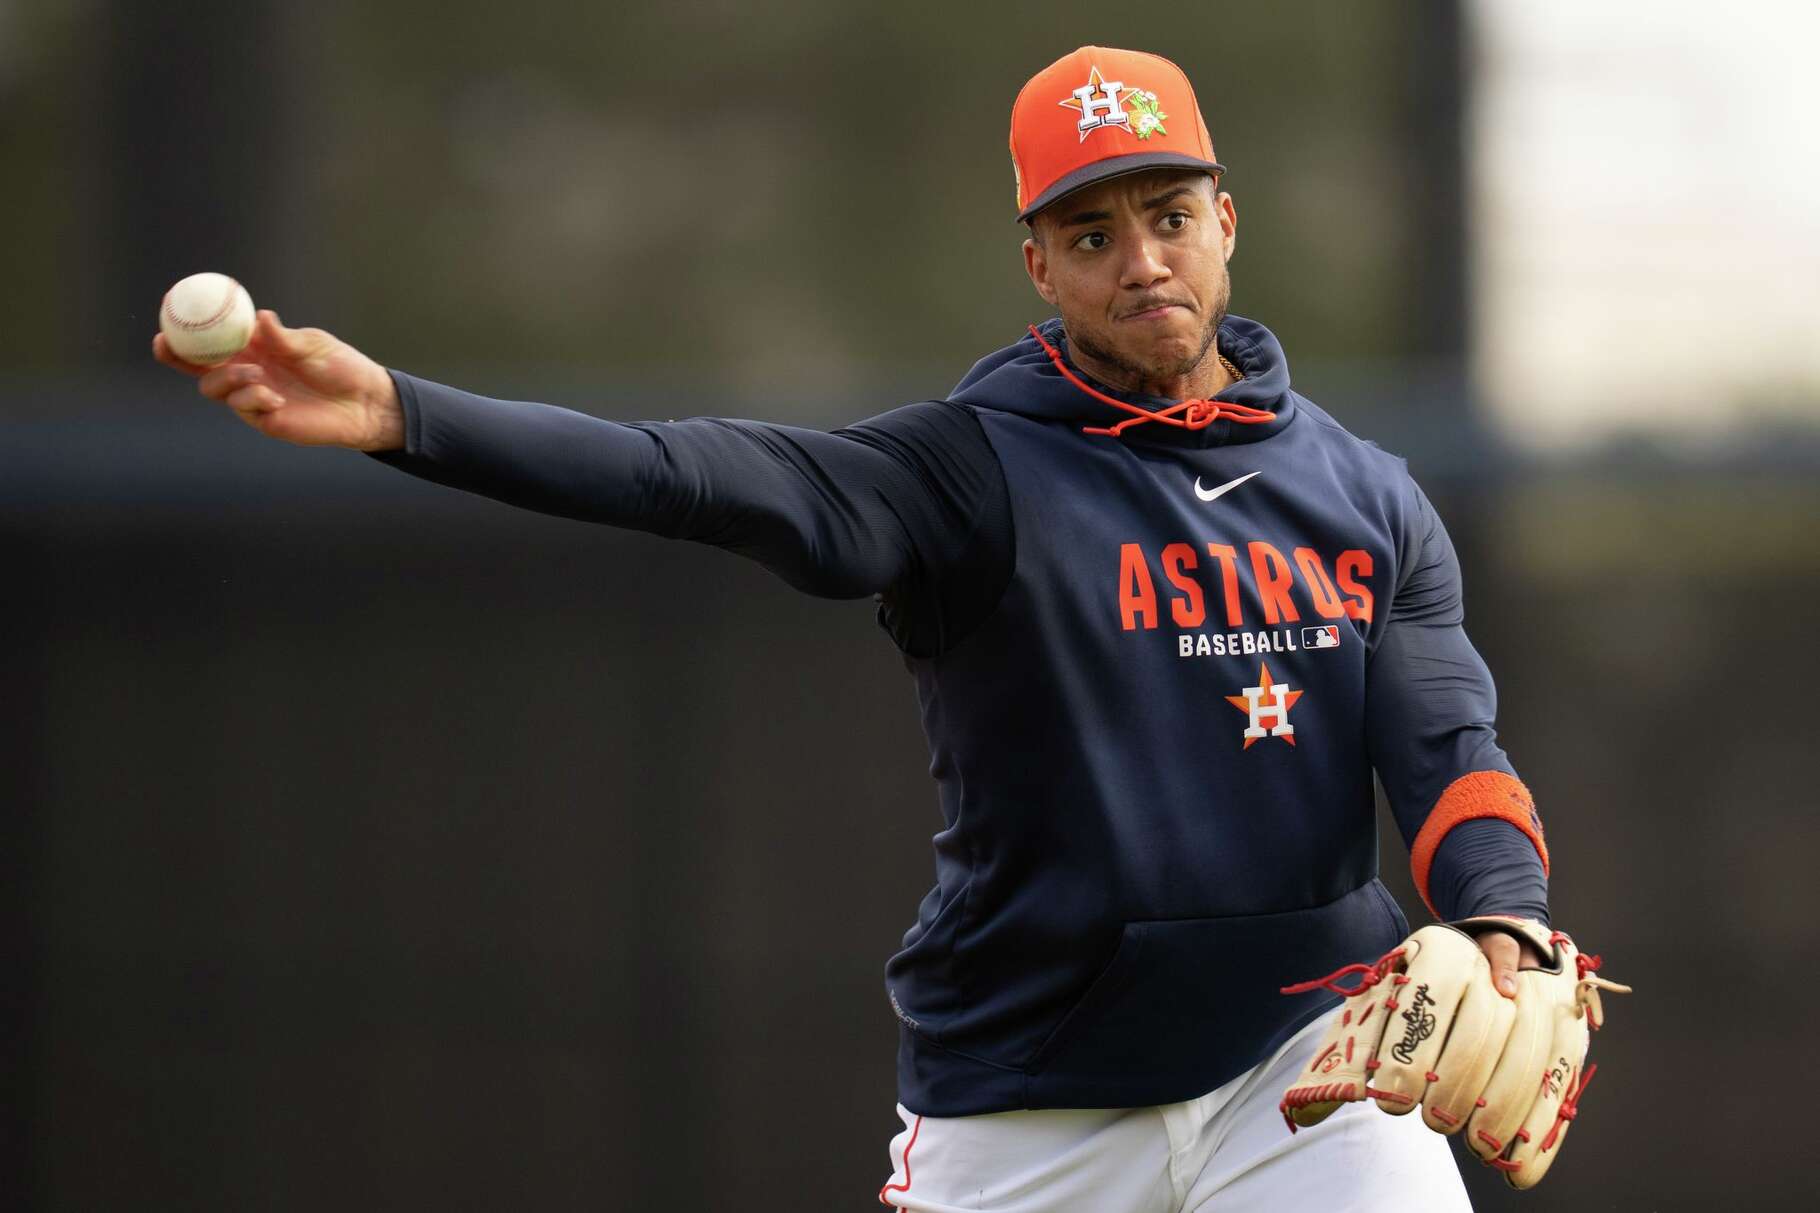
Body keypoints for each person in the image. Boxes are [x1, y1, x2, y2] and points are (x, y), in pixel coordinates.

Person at [156, 45, 1562, 1213]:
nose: (1141, 260)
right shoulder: (971, 472)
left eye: (1170, 215)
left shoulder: (1364, 497)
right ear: (1039, 265)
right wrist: (409, 415)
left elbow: (1446, 738)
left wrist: (1507, 914)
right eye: (1092, 232)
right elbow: (691, 471)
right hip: (1033, 1096)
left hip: (1304, 1071)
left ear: (1225, 222)